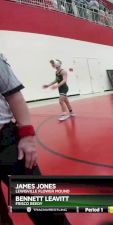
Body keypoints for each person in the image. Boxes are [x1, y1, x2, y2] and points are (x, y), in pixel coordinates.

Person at [0, 54, 70, 225]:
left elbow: (14, 95)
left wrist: (27, 134)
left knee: (41, 206)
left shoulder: (63, 72)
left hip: (4, 144)